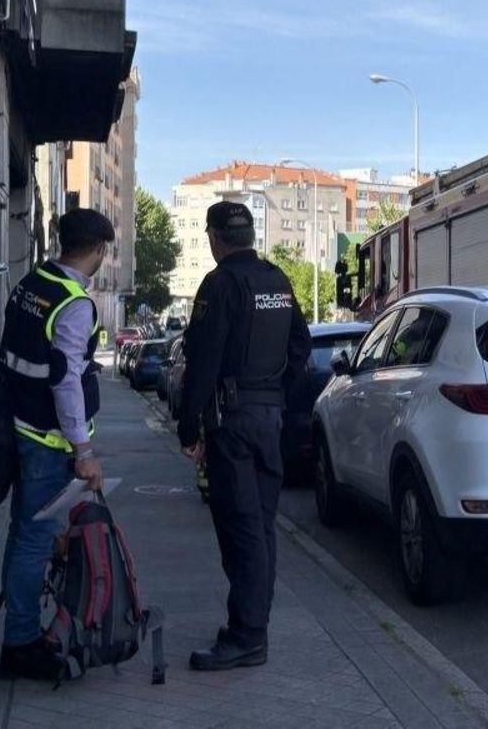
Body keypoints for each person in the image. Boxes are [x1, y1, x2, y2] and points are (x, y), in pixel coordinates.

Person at [177, 201, 312, 671]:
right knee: (261, 525)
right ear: (250, 235)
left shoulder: (220, 284)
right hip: (267, 418)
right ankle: (254, 625)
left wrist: (188, 425)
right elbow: (301, 346)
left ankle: (247, 636)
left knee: (241, 529)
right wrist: (277, 395)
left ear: (215, 238)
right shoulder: (277, 280)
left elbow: (203, 359)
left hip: (231, 423)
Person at [0, 208, 114, 681]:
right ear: (100, 251)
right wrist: (83, 453)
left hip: (20, 426)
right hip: (47, 442)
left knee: (22, 535)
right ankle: (20, 644)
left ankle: (18, 633)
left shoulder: (31, 283)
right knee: (34, 539)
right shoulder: (74, 303)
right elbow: (65, 384)